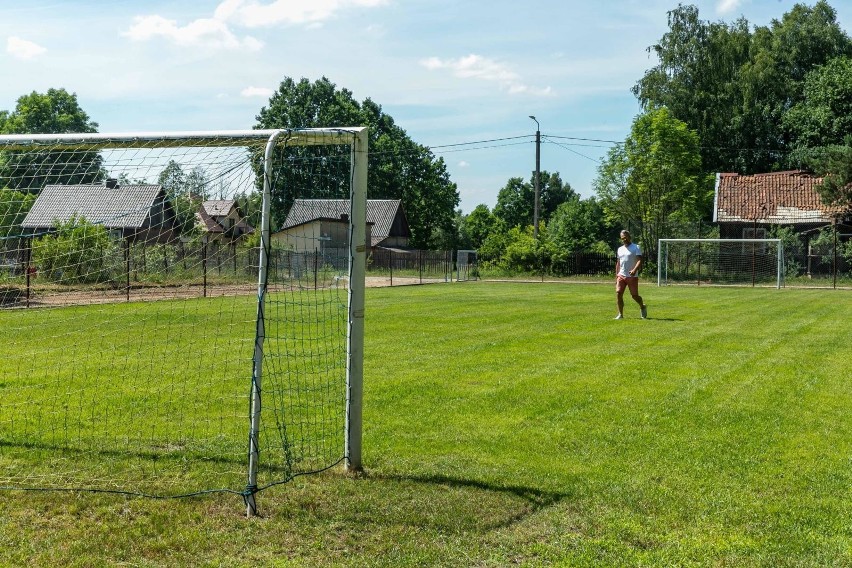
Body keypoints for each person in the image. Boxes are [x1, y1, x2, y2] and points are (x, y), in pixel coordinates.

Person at [614, 230, 647, 319]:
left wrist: (634, 270)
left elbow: (640, 260)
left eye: (625, 237)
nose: (624, 240)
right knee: (618, 293)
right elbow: (618, 262)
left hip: (632, 276)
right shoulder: (620, 249)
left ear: (629, 236)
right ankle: (620, 314)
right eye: (622, 238)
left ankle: (642, 306)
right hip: (621, 275)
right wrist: (616, 275)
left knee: (634, 296)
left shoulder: (636, 247)